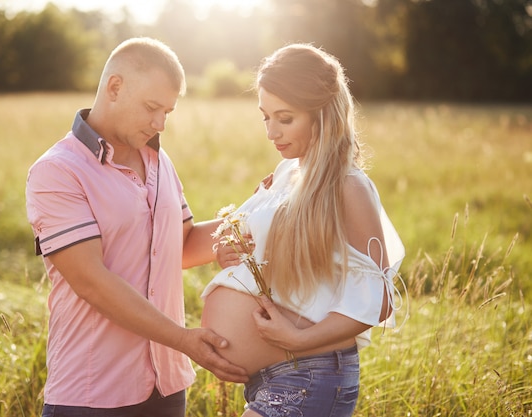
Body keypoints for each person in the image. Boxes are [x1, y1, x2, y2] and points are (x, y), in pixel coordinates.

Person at [25, 37, 247, 417]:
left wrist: (259, 213)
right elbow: (92, 282)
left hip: (167, 386)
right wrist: (184, 340)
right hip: (93, 394)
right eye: (152, 107)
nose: (160, 123)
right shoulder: (57, 171)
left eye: (168, 112)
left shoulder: (160, 161)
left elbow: (182, 244)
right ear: (115, 87)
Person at [201, 43, 406, 417]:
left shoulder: (348, 186)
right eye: (265, 117)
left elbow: (380, 297)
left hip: (306, 377)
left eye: (285, 118)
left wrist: (298, 339)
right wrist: (232, 257)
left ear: (322, 115)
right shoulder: (288, 176)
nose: (271, 132)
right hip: (274, 377)